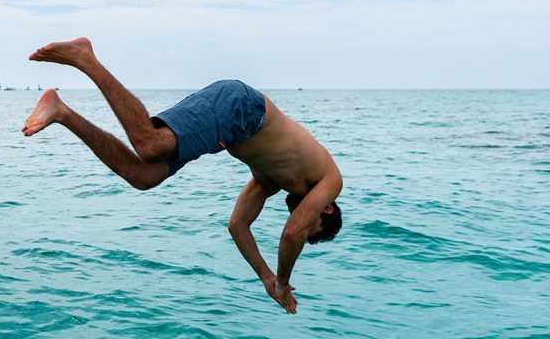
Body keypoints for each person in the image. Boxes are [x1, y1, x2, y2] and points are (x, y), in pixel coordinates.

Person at [22, 37, 343, 314]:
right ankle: (85, 57)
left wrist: (266, 279)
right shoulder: (331, 180)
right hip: (242, 107)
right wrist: (283, 283)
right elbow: (292, 234)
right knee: (150, 144)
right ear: (326, 208)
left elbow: (237, 225)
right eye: (314, 224)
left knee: (142, 175)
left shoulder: (271, 180)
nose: (303, 219)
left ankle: (61, 112)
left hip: (231, 127)